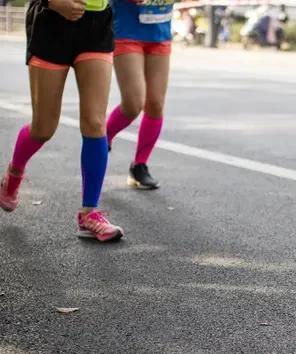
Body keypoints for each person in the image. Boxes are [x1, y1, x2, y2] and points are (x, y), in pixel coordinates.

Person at [0, 0, 123, 242]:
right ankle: (13, 174)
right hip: (51, 23)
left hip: (96, 25)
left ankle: (89, 213)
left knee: (95, 122)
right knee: (43, 128)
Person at [105, 0, 175, 190]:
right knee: (134, 104)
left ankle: (139, 166)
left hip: (160, 31)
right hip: (126, 30)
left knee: (155, 104)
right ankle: (103, 138)